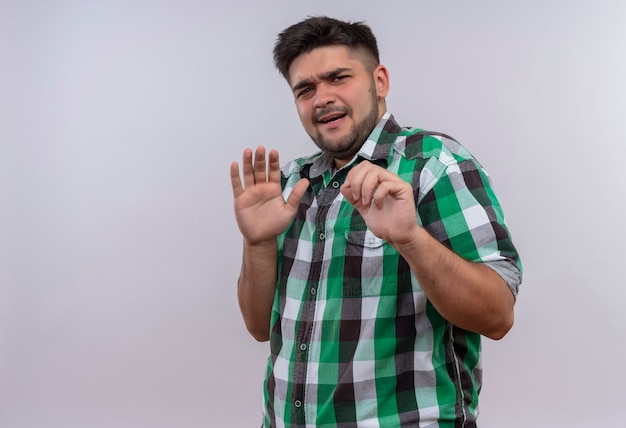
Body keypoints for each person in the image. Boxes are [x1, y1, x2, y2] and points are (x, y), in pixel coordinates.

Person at [229, 16, 522, 428]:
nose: (321, 99)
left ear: (379, 81)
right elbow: (259, 327)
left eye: (338, 78)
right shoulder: (291, 184)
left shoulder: (433, 164)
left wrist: (410, 238)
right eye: (305, 89)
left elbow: (498, 315)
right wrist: (256, 243)